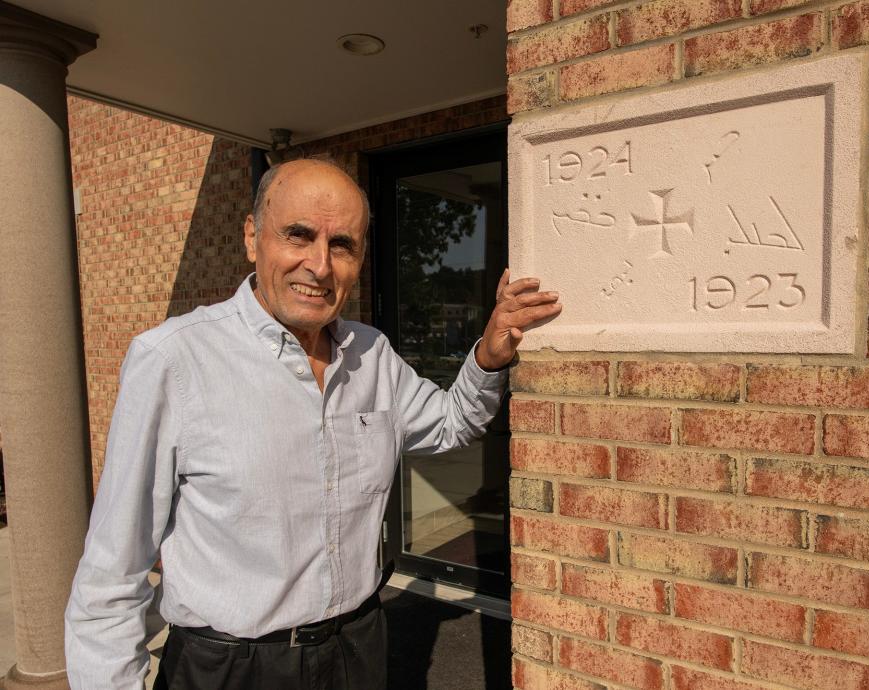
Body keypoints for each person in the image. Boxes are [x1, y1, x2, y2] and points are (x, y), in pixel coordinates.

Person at [64, 158, 561, 690]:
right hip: (229, 670)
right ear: (253, 237)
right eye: (298, 236)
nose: (320, 266)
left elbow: (450, 425)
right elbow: (113, 573)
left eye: (341, 245)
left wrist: (488, 355)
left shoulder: (373, 355)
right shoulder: (173, 361)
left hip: (357, 650)